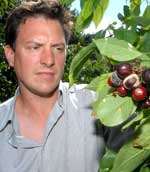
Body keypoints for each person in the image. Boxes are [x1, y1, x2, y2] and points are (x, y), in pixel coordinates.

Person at [0, 0, 133, 172]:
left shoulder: (96, 103)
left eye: (58, 48)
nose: (48, 60)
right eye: (35, 47)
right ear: (10, 55)